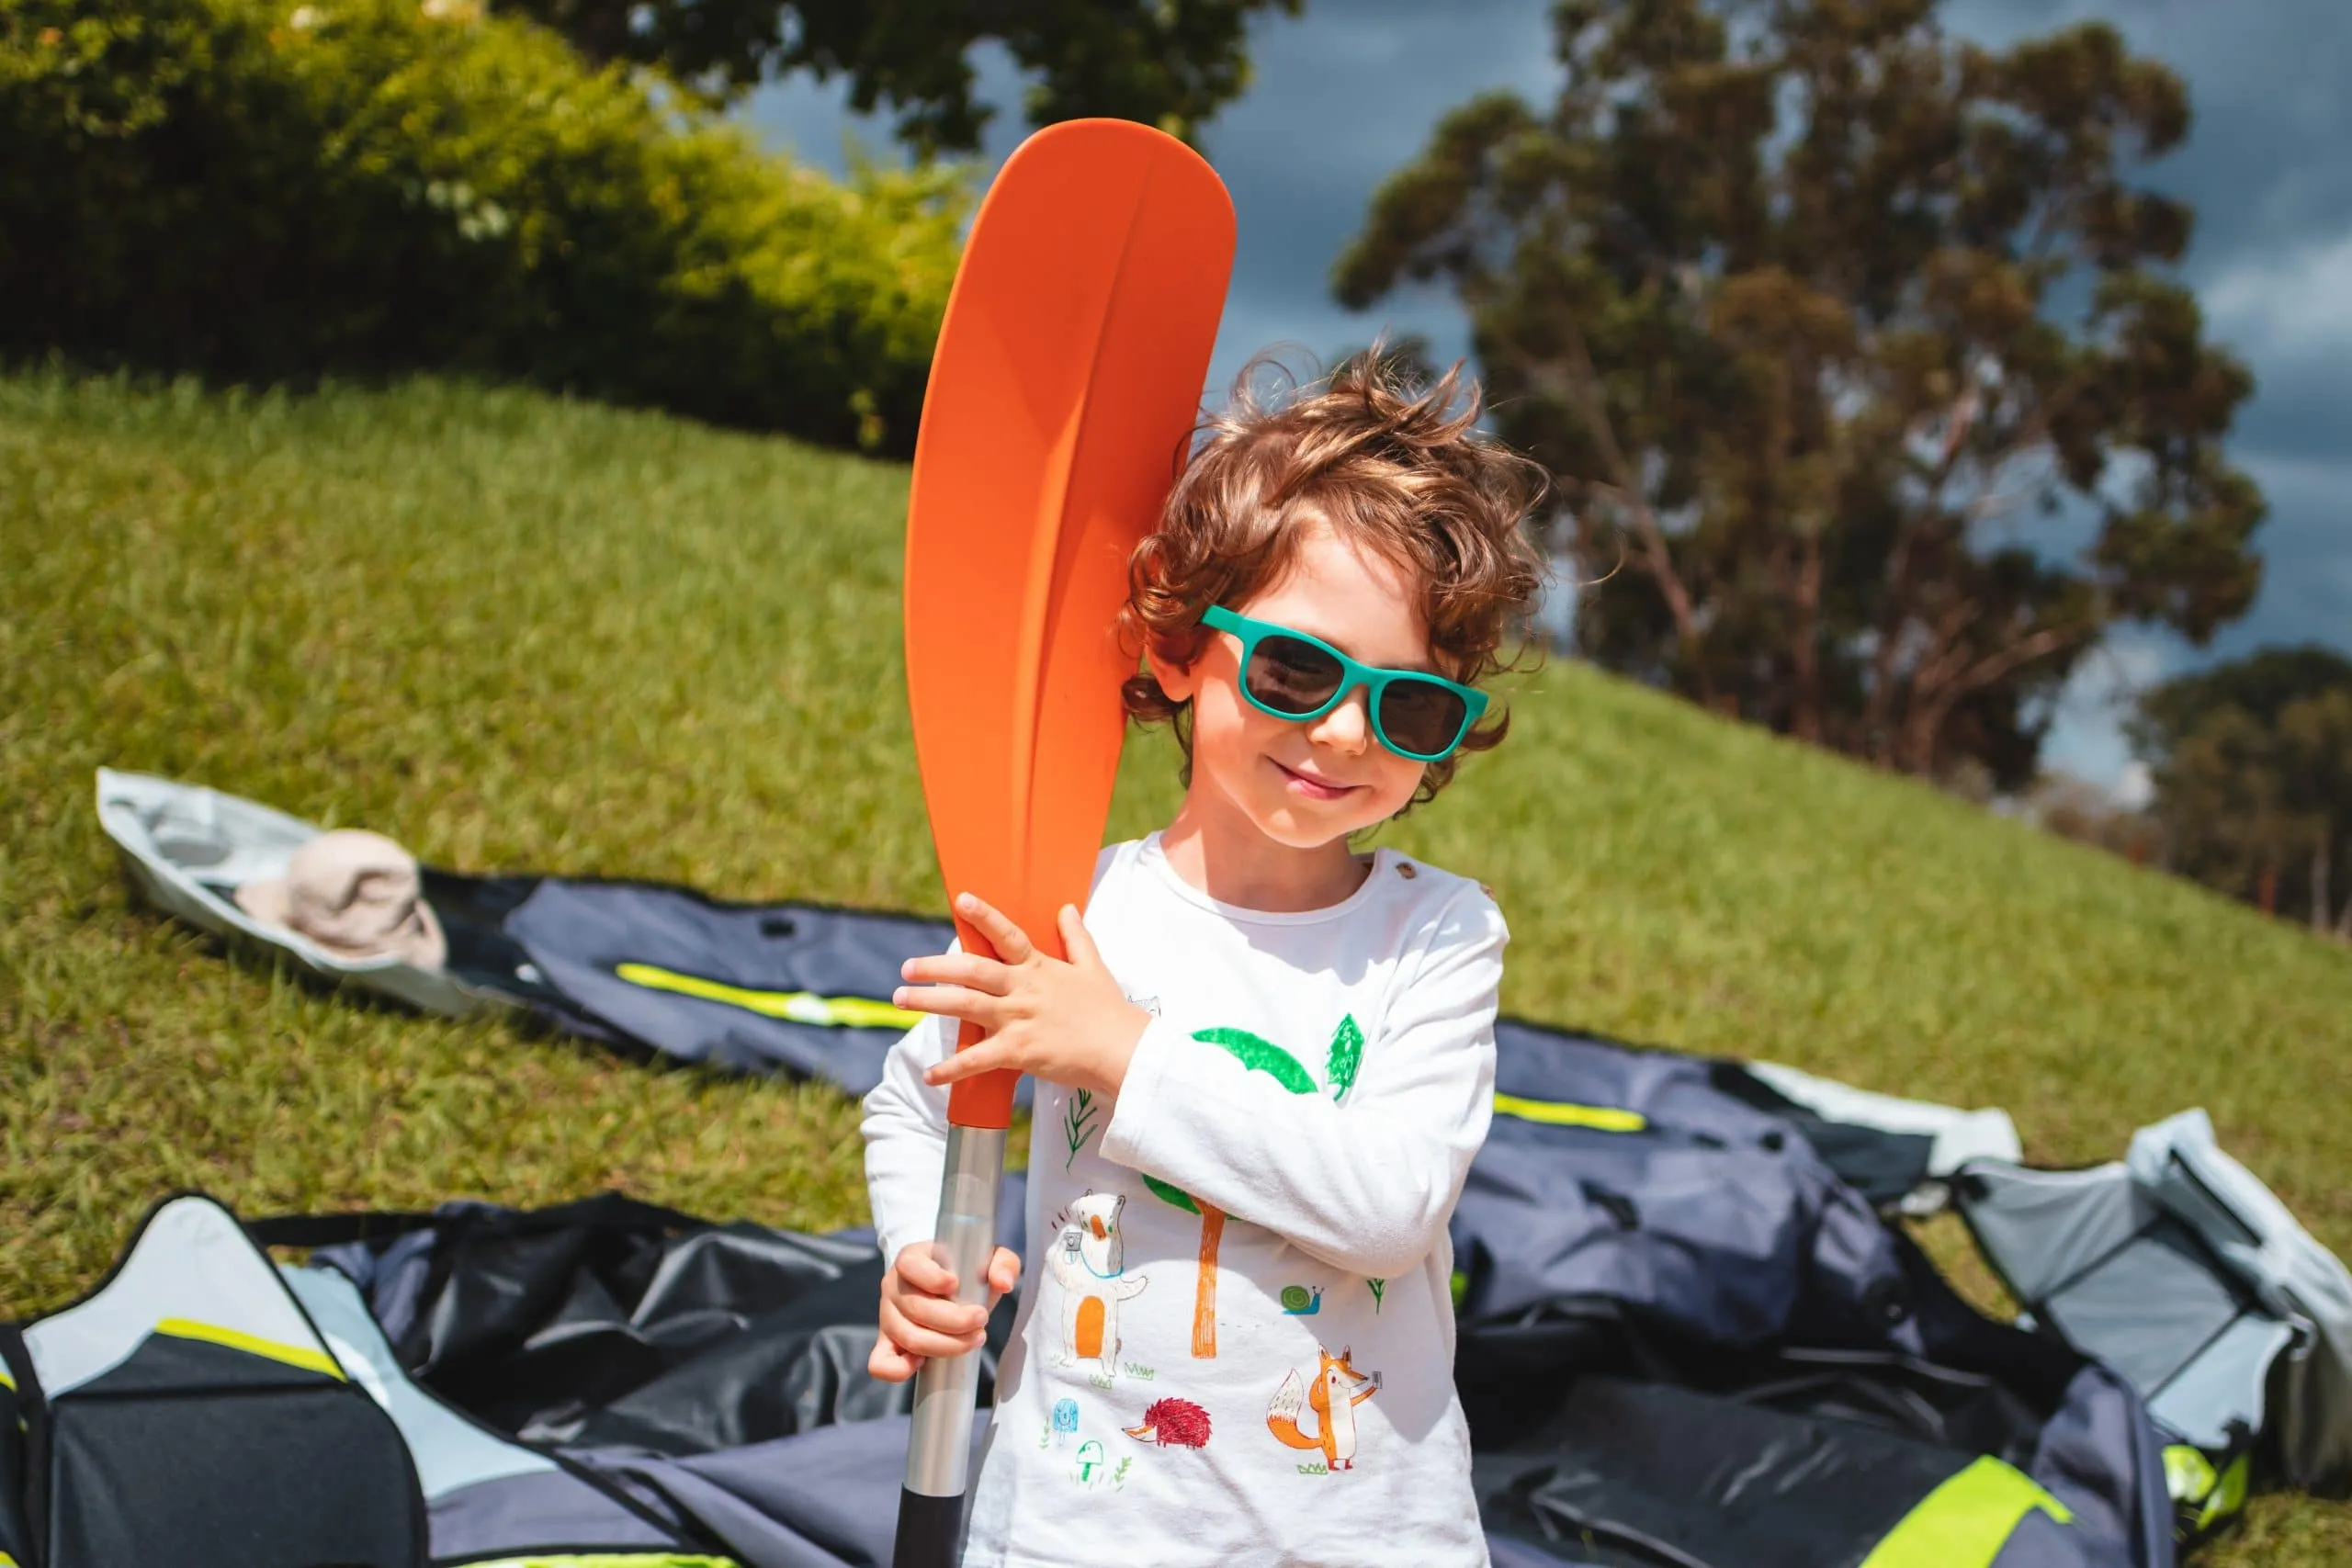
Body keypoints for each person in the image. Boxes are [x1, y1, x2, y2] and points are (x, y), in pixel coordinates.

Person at [862, 351, 1545, 1565]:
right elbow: (920, 1098)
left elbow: (1389, 1206)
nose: (1341, 730)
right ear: (1179, 648)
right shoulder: (1077, 910)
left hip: (1361, 1535)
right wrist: (925, 1249)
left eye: (1408, 705)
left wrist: (1126, 1052)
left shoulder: (1435, 934)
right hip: (1078, 1525)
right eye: (1296, 668)